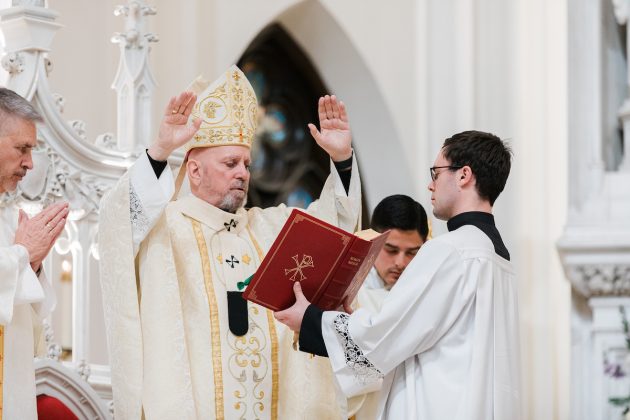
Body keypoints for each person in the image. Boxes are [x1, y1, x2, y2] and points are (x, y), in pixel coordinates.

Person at [98, 65, 362, 419]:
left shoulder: (270, 228)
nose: (242, 173)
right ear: (194, 170)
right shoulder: (164, 229)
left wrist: (341, 160)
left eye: (246, 164)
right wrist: (160, 150)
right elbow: (116, 222)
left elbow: (334, 231)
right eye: (230, 163)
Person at [276, 130, 520, 419]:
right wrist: (353, 321)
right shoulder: (498, 258)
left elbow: (382, 338)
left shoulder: (450, 251)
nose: (431, 185)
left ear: (464, 175)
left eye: (437, 173)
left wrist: (311, 320)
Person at [0, 88, 68, 419]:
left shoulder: (8, 218)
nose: (29, 163)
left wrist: (33, 264)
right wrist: (23, 254)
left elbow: (25, 318)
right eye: (22, 148)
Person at [357, 194, 429, 314]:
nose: (400, 263)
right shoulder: (351, 291)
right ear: (372, 241)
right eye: (391, 250)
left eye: (412, 253)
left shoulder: (431, 290)